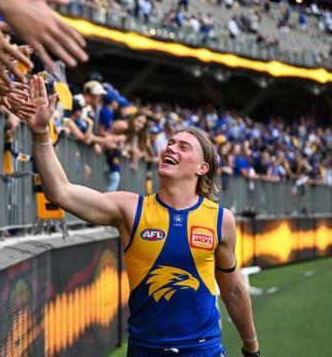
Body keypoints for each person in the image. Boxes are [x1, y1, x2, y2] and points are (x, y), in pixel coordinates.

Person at [25, 75, 260, 357]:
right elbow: (61, 193)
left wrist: (251, 347)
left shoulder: (221, 220)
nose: (170, 147)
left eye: (183, 146)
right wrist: (41, 134)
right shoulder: (130, 209)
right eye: (170, 143)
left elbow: (232, 289)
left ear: (202, 168)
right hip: (145, 351)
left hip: (203, 350)